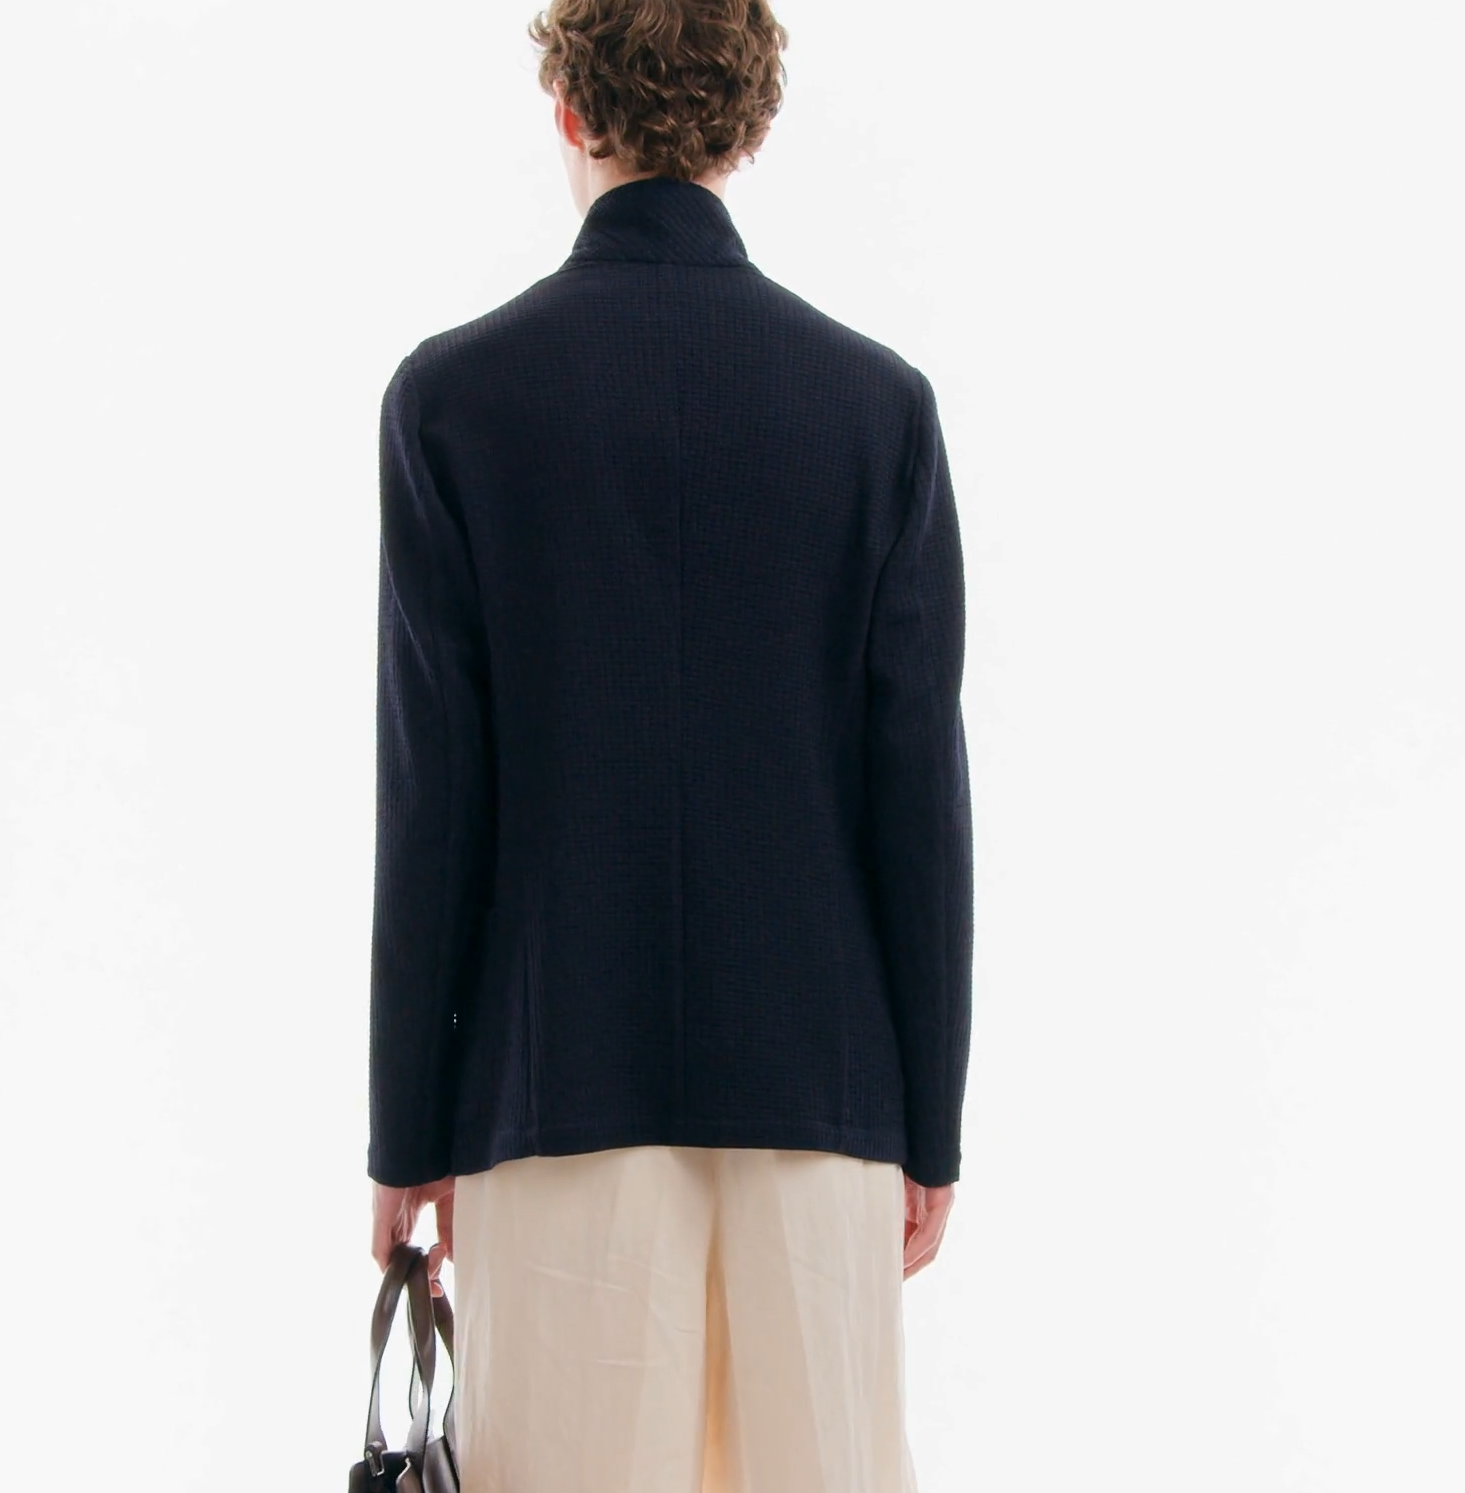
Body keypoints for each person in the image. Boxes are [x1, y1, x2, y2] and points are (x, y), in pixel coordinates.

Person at [366, 3, 973, 1488]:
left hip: (551, 1100)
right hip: (824, 1103)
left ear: (570, 111)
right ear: (749, 131)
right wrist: (931, 1126)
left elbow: (434, 808)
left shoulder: (452, 403)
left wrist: (406, 1134)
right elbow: (919, 804)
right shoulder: (878, 411)